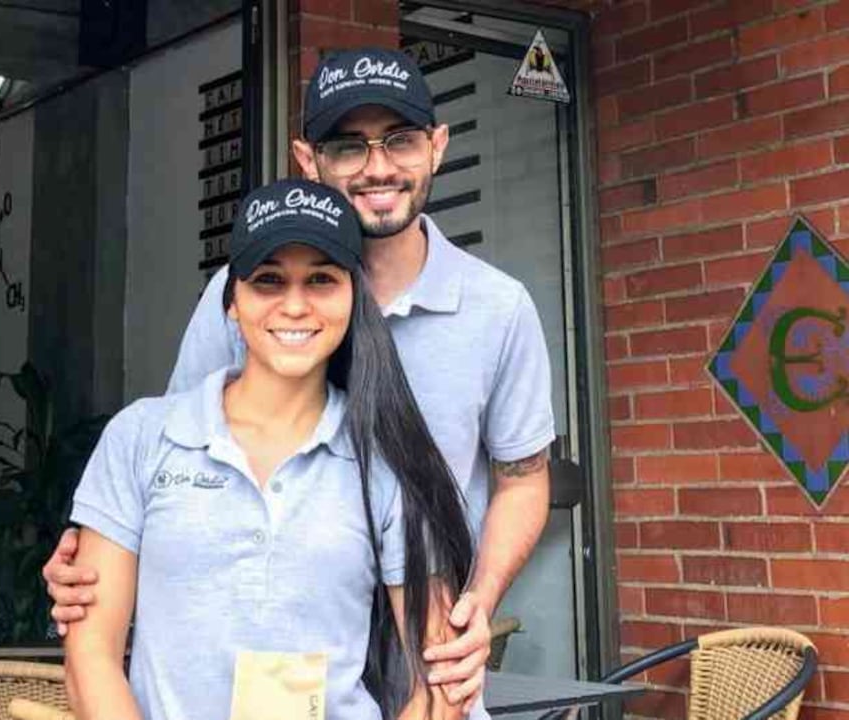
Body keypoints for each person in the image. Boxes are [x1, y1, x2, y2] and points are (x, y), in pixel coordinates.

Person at [47, 47, 554, 719]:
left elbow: (524, 480)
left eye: (400, 140)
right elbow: (175, 470)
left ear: (436, 147)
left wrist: (475, 606)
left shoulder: (498, 309)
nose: (378, 167)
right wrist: (104, 551)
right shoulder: (205, 338)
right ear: (308, 160)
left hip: (423, 674)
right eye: (347, 146)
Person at [64, 178, 473, 720]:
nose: (295, 305)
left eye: (321, 279)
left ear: (353, 297)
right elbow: (90, 656)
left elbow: (444, 682)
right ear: (231, 302)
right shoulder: (140, 437)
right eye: (268, 281)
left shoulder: (386, 459)